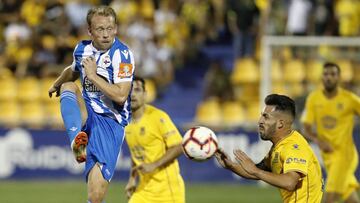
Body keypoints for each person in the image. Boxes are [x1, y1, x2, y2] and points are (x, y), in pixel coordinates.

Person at [48, 6, 135, 203]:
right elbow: (72, 71)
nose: (106, 34)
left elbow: (121, 96)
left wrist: (94, 76)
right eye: (100, 29)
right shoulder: (82, 49)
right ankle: (76, 142)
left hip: (110, 122)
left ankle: (80, 145)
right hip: (88, 113)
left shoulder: (123, 55)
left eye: (110, 28)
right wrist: (56, 84)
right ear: (90, 31)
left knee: (95, 197)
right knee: (68, 87)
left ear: (115, 29)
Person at [215, 94, 323, 202]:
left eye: (266, 117)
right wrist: (230, 165)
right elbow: (255, 171)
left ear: (280, 123)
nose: (260, 121)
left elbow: (289, 182)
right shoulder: (279, 146)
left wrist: (256, 171)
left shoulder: (293, 147)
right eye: (262, 116)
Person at [301, 62, 360, 203]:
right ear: (322, 77)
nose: (329, 77)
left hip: (345, 155)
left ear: (339, 78)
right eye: (326, 74)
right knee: (349, 197)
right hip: (329, 157)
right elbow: (306, 127)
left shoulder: (349, 99)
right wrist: (318, 140)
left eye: (333, 74)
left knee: (329, 198)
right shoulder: (313, 99)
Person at [124, 76, 185, 203]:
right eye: (129, 90)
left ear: (145, 94)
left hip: (167, 190)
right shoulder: (126, 122)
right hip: (144, 190)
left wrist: (154, 165)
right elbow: (136, 153)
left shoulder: (158, 117)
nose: (133, 94)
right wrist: (132, 178)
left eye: (137, 90)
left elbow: (179, 146)